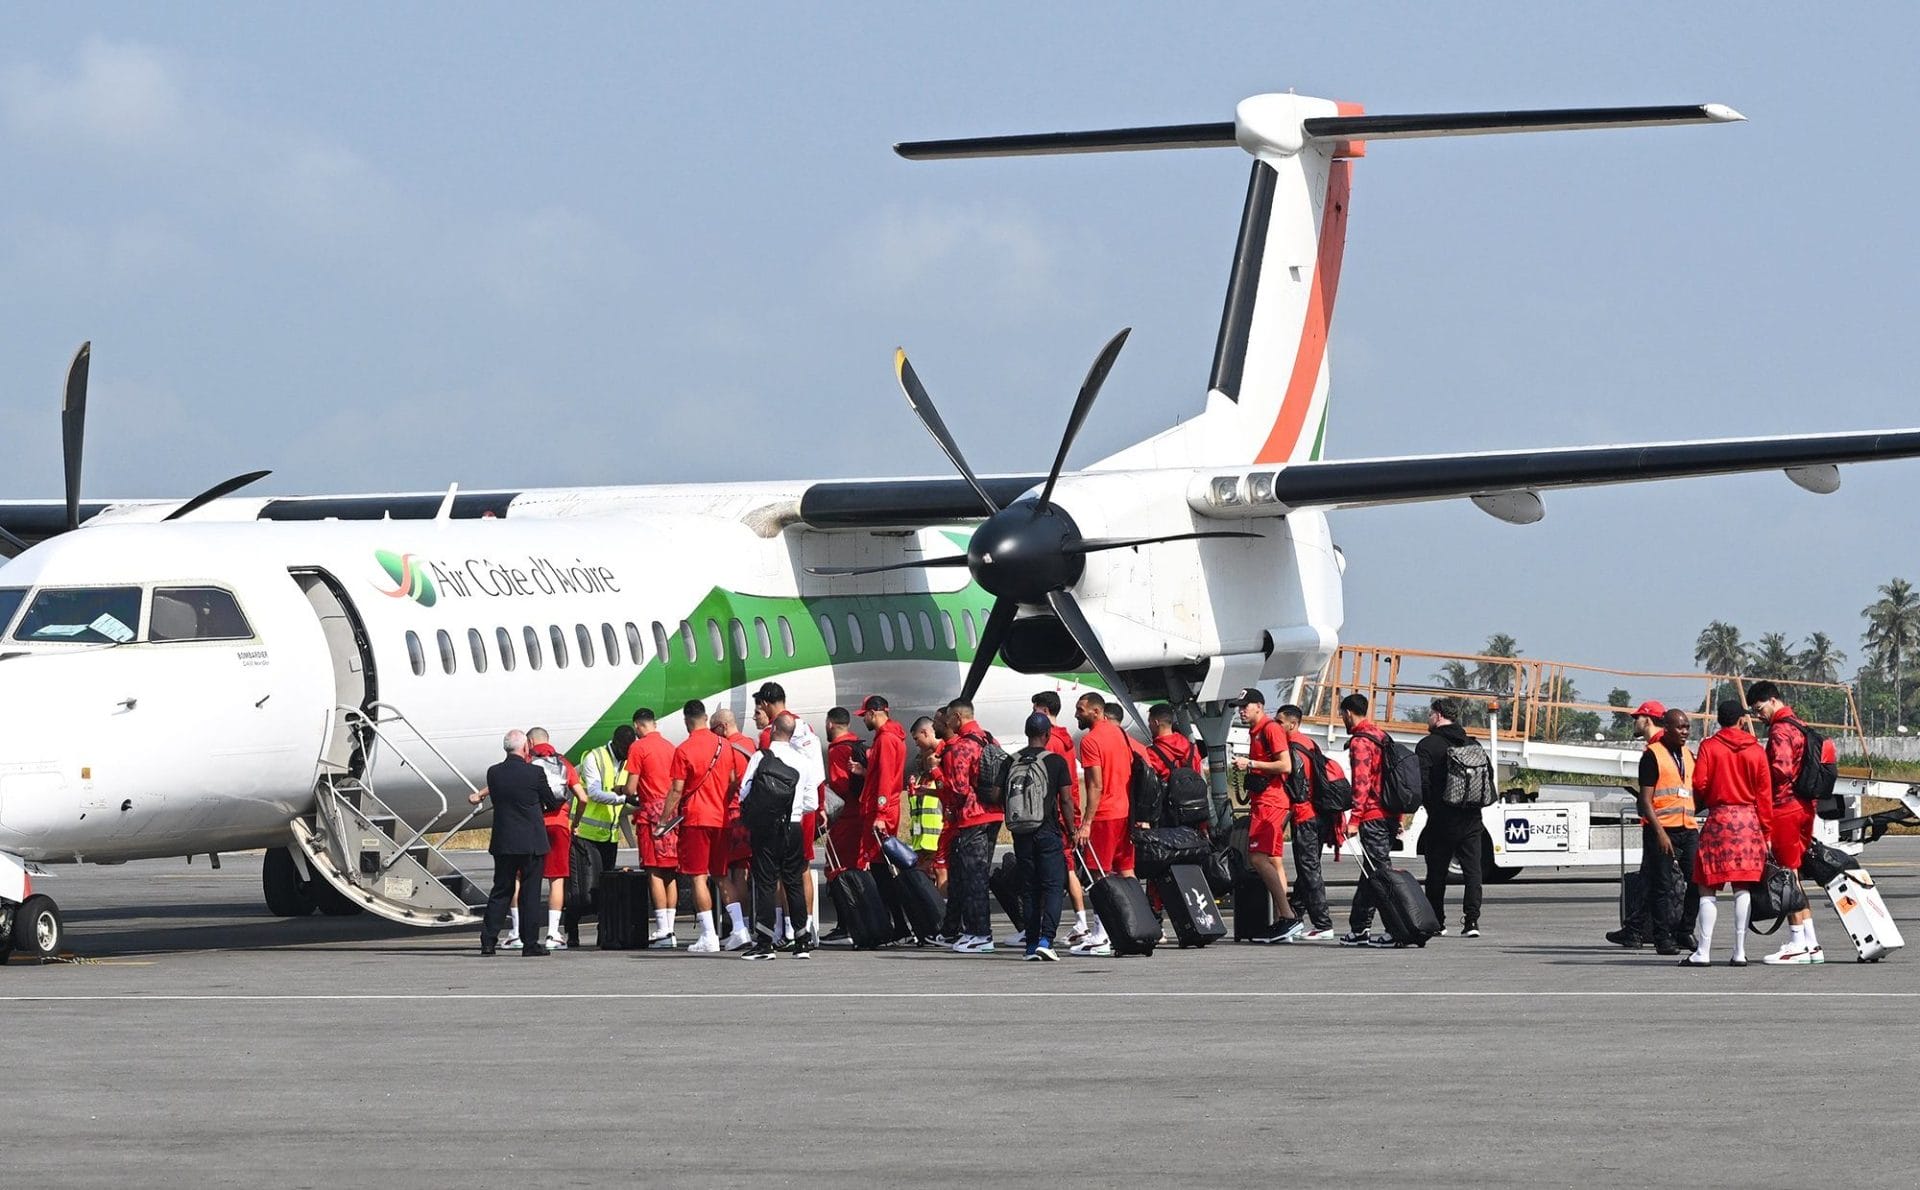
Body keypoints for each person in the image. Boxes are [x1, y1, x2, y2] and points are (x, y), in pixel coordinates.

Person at [1682, 699, 1775, 967]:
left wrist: (1712, 796)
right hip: (1748, 822)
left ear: (1719, 720)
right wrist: (1766, 831)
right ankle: (1740, 951)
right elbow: (1764, 794)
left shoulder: (1709, 747)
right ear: (1741, 720)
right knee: (1742, 886)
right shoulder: (1756, 751)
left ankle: (1703, 950)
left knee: (1707, 887)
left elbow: (1699, 782)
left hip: (1720, 820)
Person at [1748, 680, 1824, 964]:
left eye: (1759, 709)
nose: (1759, 716)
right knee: (1794, 875)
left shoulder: (1780, 729)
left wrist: (1758, 776)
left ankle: (1796, 943)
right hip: (1804, 806)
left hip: (1784, 807)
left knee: (1785, 876)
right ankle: (1811, 942)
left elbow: (1780, 769)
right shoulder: (1799, 724)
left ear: (1772, 700)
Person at [738, 712, 825, 960]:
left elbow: (745, 793)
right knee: (793, 881)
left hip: (766, 828)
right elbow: (812, 802)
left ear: (773, 729)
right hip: (795, 826)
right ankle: (802, 941)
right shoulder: (804, 761)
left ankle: (765, 943)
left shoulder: (760, 757)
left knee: (766, 882)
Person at [472, 729, 563, 957]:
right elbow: (551, 802)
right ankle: (530, 943)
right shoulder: (534, 773)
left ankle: (488, 942)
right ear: (525, 748)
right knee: (530, 893)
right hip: (531, 841)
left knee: (501, 890)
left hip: (504, 841)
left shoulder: (493, 773)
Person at [661, 700, 742, 954]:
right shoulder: (724, 745)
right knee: (721, 875)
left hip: (696, 819)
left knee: (698, 876)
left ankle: (709, 934)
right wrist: (722, 801)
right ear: (706, 718)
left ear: (687, 721)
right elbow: (732, 780)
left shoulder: (684, 749)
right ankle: (740, 929)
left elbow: (676, 789)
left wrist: (664, 818)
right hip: (721, 817)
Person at [750, 684, 819, 948]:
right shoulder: (804, 727)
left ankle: (784, 929)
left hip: (780, 812)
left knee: (777, 874)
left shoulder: (772, 735)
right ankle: (806, 928)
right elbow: (815, 773)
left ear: (766, 704)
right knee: (802, 869)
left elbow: (762, 780)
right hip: (805, 807)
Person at [1230, 688, 1301, 944]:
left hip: (1271, 803)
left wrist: (1250, 764)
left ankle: (1287, 915)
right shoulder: (1256, 731)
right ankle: (1286, 920)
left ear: (1259, 706)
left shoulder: (1270, 729)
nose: (1241, 710)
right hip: (1264, 801)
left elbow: (1285, 765)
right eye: (1240, 706)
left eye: (1245, 706)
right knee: (1273, 859)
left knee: (1258, 858)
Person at [1003, 712, 1073, 961]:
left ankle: (1031, 945)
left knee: (1029, 889)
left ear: (1026, 732)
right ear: (1047, 734)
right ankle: (1047, 939)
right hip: (1047, 831)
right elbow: (1065, 799)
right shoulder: (1056, 761)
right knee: (1053, 886)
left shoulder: (1010, 761)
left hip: (1021, 833)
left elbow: (999, 795)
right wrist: (1072, 829)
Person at [937, 699, 1004, 953]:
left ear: (956, 717)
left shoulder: (961, 747)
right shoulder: (989, 740)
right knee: (980, 873)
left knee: (973, 876)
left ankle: (980, 933)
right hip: (994, 813)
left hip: (973, 816)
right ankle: (976, 931)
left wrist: (937, 774)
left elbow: (958, 789)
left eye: (948, 719)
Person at [1072, 691, 1136, 956]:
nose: (1076, 714)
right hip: (1124, 811)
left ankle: (1102, 933)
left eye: (1080, 709)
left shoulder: (1091, 740)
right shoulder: (1119, 733)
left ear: (1096, 712)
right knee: (1127, 871)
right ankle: (1134, 925)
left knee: (1099, 874)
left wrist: (1086, 821)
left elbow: (1095, 784)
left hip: (1105, 815)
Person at [1636, 708, 1703, 956]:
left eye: (1687, 727)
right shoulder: (1652, 755)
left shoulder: (1688, 754)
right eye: (1680, 727)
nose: (1685, 732)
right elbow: (1645, 800)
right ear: (1667, 727)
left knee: (1697, 881)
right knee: (1662, 886)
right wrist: (1660, 833)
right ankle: (1663, 937)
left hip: (1687, 827)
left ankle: (1685, 930)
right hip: (1661, 829)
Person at [1416, 698, 1485, 938]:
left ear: (1437, 715)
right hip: (1472, 818)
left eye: (1429, 714)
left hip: (1442, 818)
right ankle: (1472, 922)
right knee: (1473, 872)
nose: (1428, 718)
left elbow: (1421, 783)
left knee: (1436, 872)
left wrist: (1429, 808)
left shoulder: (1427, 745)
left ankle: (1438, 922)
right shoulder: (1473, 744)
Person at [1607, 699, 1671, 948]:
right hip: (1664, 821)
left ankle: (1668, 931)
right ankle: (1635, 929)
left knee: (1658, 880)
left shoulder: (1657, 750)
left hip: (1660, 823)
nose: (1635, 722)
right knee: (1650, 879)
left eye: (1637, 718)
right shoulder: (1665, 746)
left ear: (1648, 719)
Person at [1337, 693, 1398, 947]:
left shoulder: (1361, 742)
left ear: (1349, 713)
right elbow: (1392, 777)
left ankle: (1396, 926)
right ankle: (1359, 927)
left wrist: (1355, 819)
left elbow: (1361, 784)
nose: (1342, 719)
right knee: (1371, 871)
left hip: (1372, 815)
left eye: (1342, 714)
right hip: (1390, 813)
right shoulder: (1382, 737)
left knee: (1380, 874)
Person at [1277, 704, 1341, 943]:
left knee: (1309, 869)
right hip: (1321, 814)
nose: (1276, 725)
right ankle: (1297, 916)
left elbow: (1298, 787)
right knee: (1307, 870)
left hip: (1305, 816)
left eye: (1279, 721)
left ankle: (1323, 924)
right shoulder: (1310, 743)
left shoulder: (1292, 748)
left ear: (1292, 724)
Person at [1034, 691, 1091, 944]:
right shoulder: (1065, 740)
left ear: (1044, 711)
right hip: (1067, 807)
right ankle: (1078, 921)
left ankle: (1081, 921)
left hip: (1055, 811)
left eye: (1035, 709)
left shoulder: (1051, 743)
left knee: (1066, 868)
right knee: (1064, 866)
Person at [624, 708, 680, 947]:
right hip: (671, 811)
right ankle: (671, 928)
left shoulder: (638, 747)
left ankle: (662, 929)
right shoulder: (670, 746)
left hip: (651, 814)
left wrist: (622, 791)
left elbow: (630, 788)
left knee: (654, 870)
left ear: (637, 726)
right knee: (670, 871)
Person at [527, 727, 584, 950]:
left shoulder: (527, 762)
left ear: (530, 742)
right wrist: (574, 821)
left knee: (523, 879)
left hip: (534, 825)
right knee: (557, 880)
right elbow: (583, 796)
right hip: (559, 824)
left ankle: (518, 931)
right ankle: (553, 933)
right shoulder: (563, 763)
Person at [859, 693, 909, 870]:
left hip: (881, 809)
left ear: (872, 713)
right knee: (881, 860)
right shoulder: (891, 736)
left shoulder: (885, 739)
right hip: (887, 807)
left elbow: (885, 778)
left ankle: (886, 898)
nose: (863, 719)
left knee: (878, 862)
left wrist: (880, 814)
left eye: (864, 715)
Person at [577, 723, 635, 873]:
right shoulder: (594, 758)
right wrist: (624, 799)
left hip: (610, 835)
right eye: (624, 750)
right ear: (615, 743)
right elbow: (595, 793)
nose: (627, 754)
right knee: (589, 886)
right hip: (587, 835)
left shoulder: (627, 760)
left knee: (607, 882)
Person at [906, 715, 947, 888]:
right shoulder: (921, 774)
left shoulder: (943, 759)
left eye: (917, 739)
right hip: (922, 839)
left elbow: (947, 791)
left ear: (925, 732)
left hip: (938, 835)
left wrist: (935, 769)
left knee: (941, 871)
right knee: (926, 872)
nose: (916, 744)